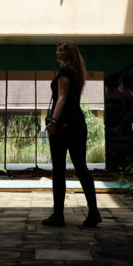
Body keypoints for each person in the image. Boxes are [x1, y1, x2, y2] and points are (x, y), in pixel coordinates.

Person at [42, 40, 102, 228]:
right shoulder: (76, 73)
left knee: (58, 170)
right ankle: (93, 212)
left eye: (60, 50)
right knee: (81, 167)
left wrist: (53, 121)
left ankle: (58, 216)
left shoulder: (66, 72)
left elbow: (61, 99)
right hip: (77, 123)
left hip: (64, 124)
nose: (57, 53)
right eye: (56, 50)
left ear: (69, 53)